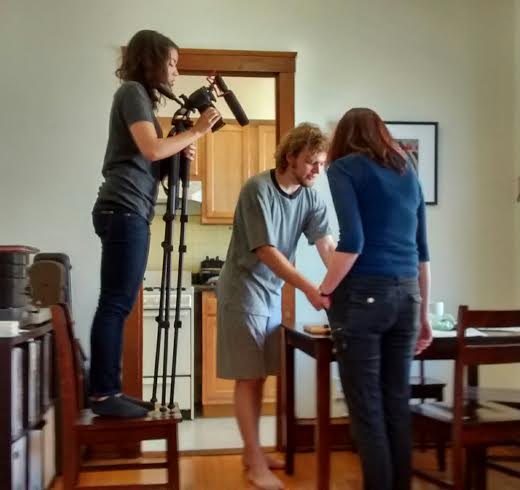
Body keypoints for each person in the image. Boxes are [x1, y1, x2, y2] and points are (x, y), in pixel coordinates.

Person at [89, 29, 221, 418]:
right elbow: (150, 149)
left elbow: (151, 163)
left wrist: (177, 155)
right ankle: (104, 395)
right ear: (152, 61)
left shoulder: (142, 100)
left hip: (129, 209)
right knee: (115, 304)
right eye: (173, 63)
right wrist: (195, 131)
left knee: (118, 303)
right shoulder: (132, 93)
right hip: (123, 209)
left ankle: (110, 391)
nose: (176, 72)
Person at [216, 122, 335, 490]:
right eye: (312, 162)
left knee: (261, 376)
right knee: (248, 377)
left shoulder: (311, 196)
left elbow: (327, 246)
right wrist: (310, 289)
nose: (317, 170)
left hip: (270, 293)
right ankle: (255, 462)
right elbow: (266, 251)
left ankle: (252, 451)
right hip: (242, 290)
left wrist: (339, 284)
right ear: (291, 157)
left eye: (322, 164)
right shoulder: (258, 190)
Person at [319, 108, 433, 490]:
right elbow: (423, 253)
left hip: (364, 296)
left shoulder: (344, 169)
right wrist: (424, 315)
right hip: (408, 297)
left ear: (343, 138)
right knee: (396, 403)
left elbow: (352, 242)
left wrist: (324, 289)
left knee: (367, 408)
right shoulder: (409, 173)